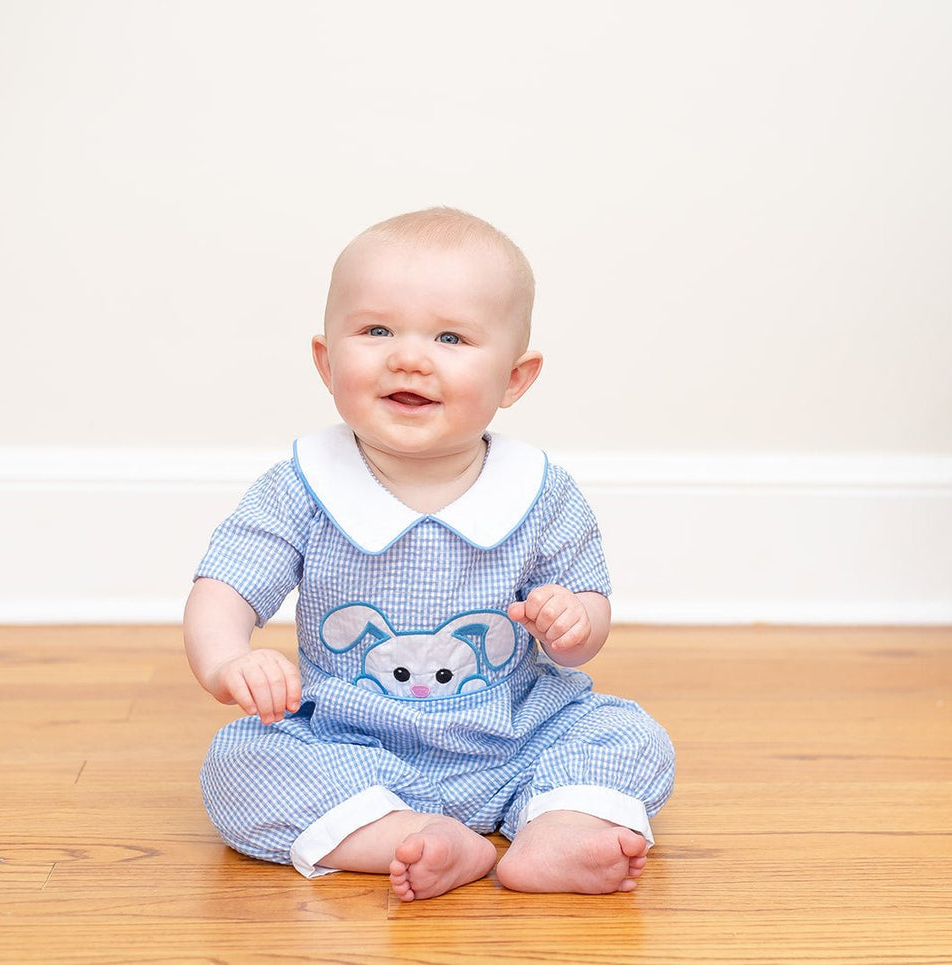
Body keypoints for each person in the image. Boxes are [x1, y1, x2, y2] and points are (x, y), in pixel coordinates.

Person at [183, 207, 675, 901]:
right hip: (351, 743)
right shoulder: (301, 485)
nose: (408, 356)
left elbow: (584, 626)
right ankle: (408, 833)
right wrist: (229, 658)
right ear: (327, 361)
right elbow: (225, 584)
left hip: (516, 731)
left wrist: (573, 621)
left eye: (450, 336)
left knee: (627, 733)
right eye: (376, 330)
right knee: (239, 762)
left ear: (514, 378)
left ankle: (558, 828)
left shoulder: (540, 492)